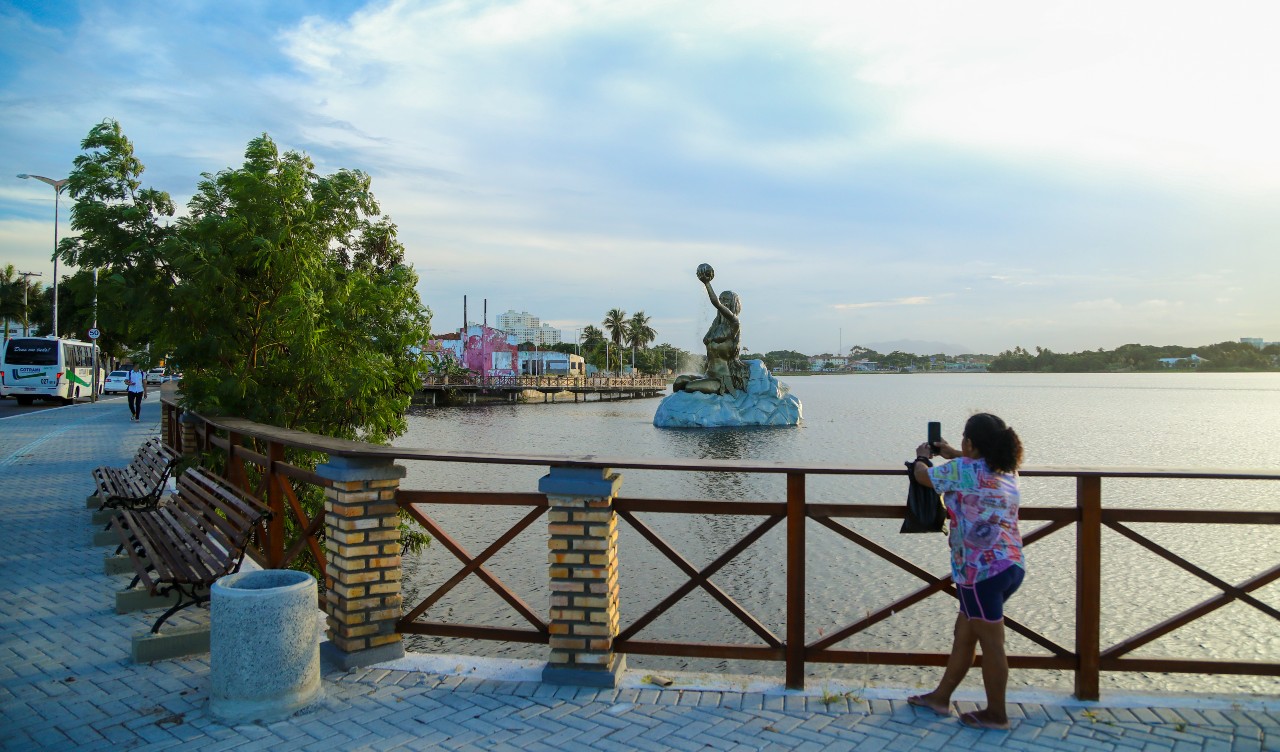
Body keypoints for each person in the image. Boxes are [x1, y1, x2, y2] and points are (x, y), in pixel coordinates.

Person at [907, 412, 1025, 730]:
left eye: (964, 440)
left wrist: (922, 457)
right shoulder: (1007, 468)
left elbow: (924, 477)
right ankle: (940, 697)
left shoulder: (963, 470)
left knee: (992, 644)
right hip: (1010, 565)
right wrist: (951, 452)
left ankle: (997, 715)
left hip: (979, 573)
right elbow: (977, 466)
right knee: (964, 635)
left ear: (970, 443)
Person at [672, 264, 749, 395]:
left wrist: (707, 283)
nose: (723, 302)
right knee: (679, 381)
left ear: (734, 304)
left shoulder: (734, 323)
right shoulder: (716, 325)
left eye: (726, 300)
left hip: (722, 379)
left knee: (690, 387)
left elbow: (715, 303)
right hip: (708, 375)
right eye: (722, 299)